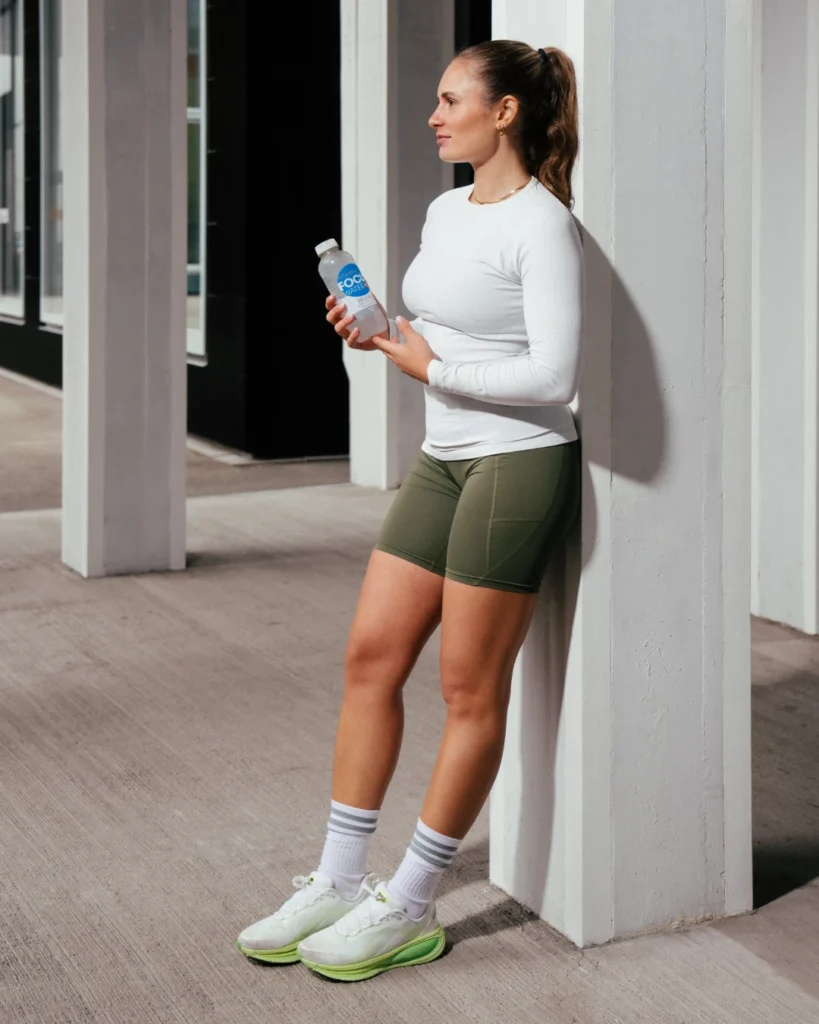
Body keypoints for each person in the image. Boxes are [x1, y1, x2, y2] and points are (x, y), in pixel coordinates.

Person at [238, 39, 583, 982]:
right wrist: (384, 329)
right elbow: (445, 326)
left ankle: (412, 903)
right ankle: (342, 879)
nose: (433, 116)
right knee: (368, 658)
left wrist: (432, 366)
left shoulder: (543, 225)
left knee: (468, 691)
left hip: (516, 465)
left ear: (504, 112)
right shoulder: (445, 206)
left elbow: (554, 376)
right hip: (442, 458)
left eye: (449, 99)